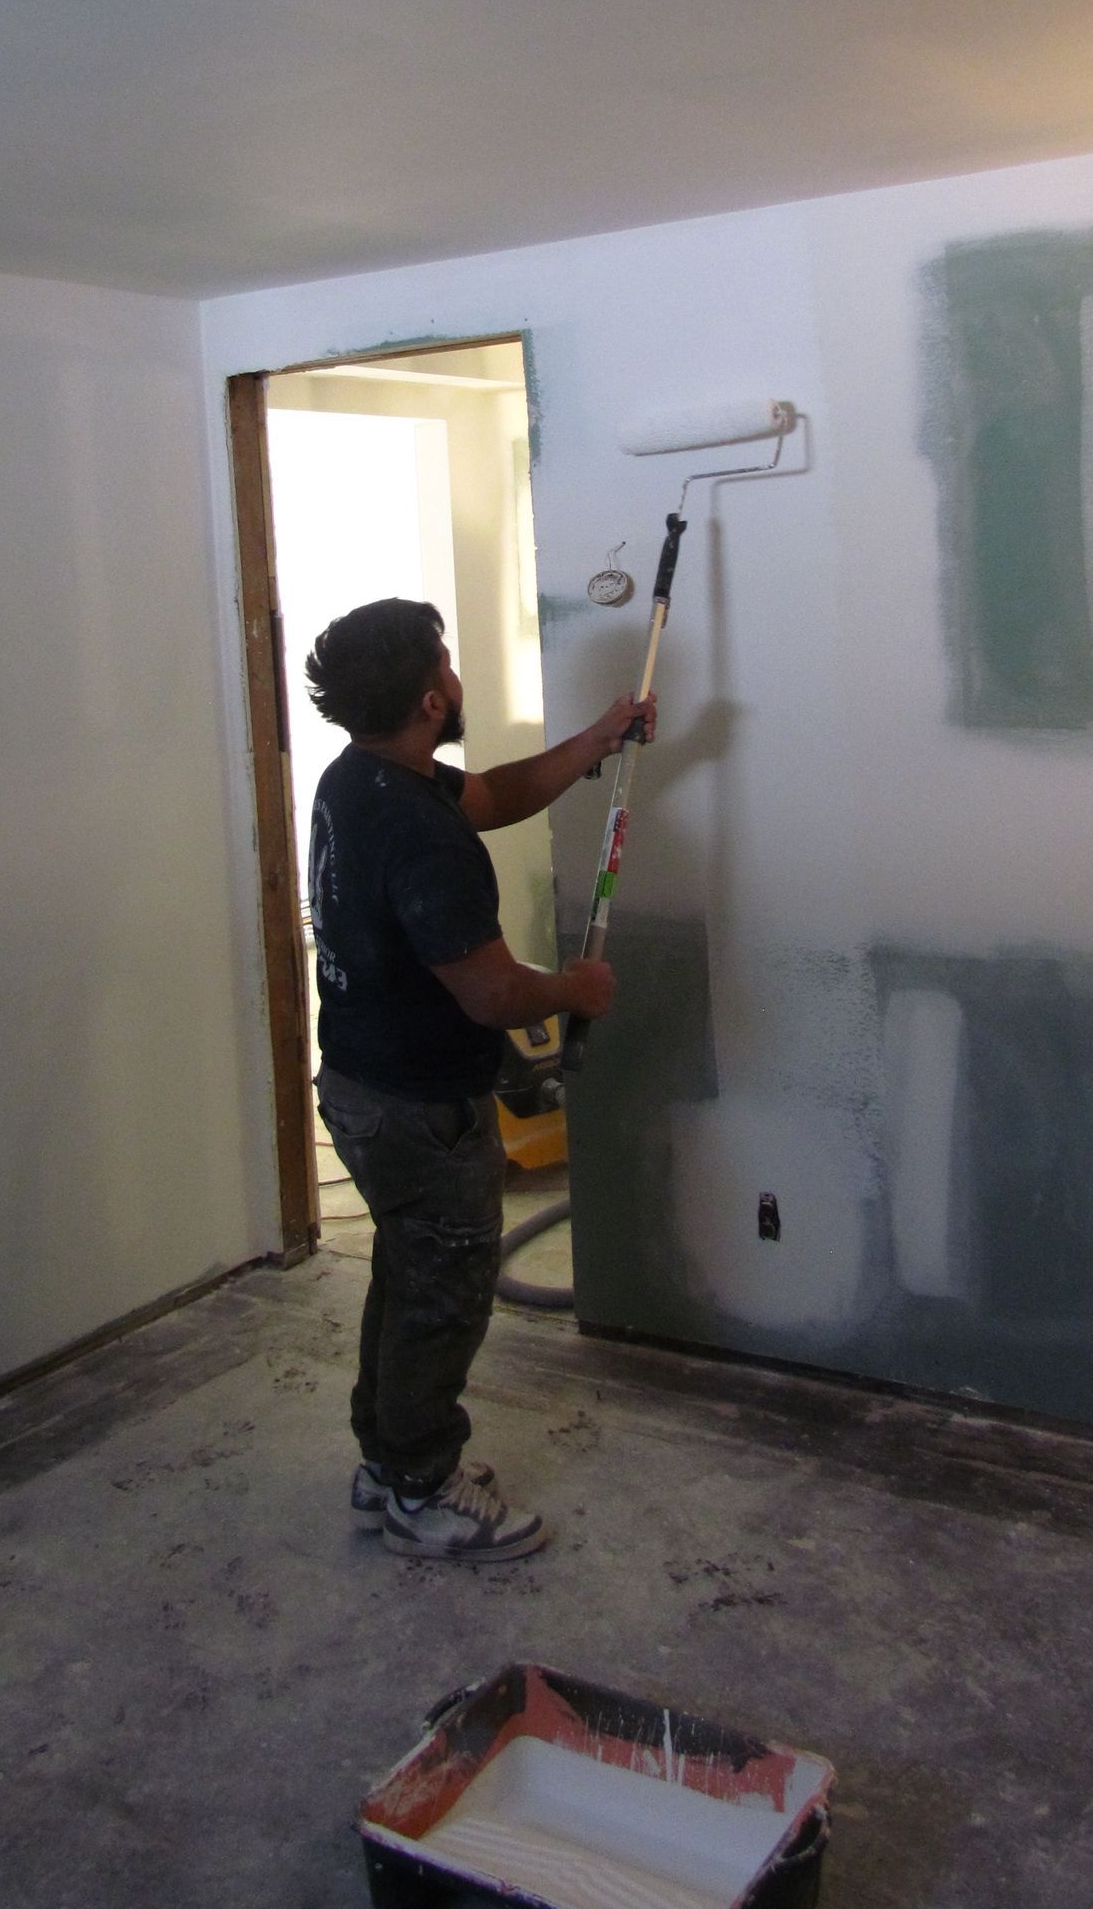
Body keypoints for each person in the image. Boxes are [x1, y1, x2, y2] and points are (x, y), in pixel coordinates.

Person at [303, 595, 656, 1563]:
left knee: (407, 1267)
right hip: (419, 1109)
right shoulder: (419, 838)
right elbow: (495, 993)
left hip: (361, 1086)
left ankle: (388, 1461)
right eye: (448, 665)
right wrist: (574, 984)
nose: (457, 678)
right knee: (447, 1288)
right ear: (428, 697)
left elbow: (494, 795)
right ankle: (422, 1487)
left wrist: (599, 736)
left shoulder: (361, 781)